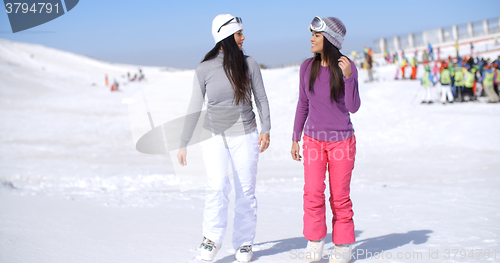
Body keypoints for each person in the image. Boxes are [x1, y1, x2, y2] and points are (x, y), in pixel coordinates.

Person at [177, 14, 271, 262]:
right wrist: (183, 142)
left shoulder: (248, 64)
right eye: (239, 34)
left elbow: (261, 98)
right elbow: (194, 107)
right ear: (226, 38)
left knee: (245, 191)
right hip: (214, 137)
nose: (243, 37)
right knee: (217, 187)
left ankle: (244, 243)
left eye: (242, 33)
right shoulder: (204, 68)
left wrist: (266, 129)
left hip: (247, 134)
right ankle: (211, 238)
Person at [291, 16, 360, 263]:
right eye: (312, 34)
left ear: (329, 39)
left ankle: (342, 245)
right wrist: (295, 137)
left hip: (342, 142)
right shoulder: (306, 68)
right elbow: (303, 104)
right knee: (312, 192)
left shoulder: (346, 65)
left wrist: (349, 77)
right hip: (313, 141)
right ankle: (315, 240)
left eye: (316, 35)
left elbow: (353, 107)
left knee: (339, 195)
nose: (311, 38)